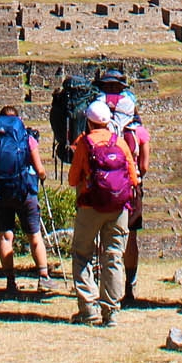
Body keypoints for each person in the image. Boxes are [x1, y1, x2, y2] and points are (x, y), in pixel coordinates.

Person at [67, 100, 139, 326]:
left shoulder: (84, 143)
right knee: (114, 257)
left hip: (90, 206)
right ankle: (112, 312)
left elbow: (71, 179)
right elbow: (133, 178)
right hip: (118, 208)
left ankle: (89, 309)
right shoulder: (120, 143)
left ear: (88, 122)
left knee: (81, 255)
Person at [0, 106, 55, 292]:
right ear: (17, 120)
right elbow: (40, 169)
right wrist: (42, 177)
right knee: (34, 235)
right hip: (23, 191)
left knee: (5, 235)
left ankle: (10, 282)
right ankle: (43, 276)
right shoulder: (25, 137)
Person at [95, 70, 150, 301]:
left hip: (100, 186)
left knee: (101, 235)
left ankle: (104, 286)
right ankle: (128, 287)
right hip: (130, 186)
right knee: (130, 237)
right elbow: (144, 166)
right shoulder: (138, 130)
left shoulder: (95, 123)